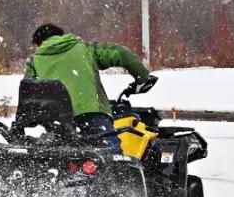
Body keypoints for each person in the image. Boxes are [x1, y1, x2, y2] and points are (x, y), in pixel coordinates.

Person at [24, 23, 157, 151]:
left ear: (39, 42)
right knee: (111, 157)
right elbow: (122, 53)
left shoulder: (35, 61)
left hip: (58, 121)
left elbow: (28, 92)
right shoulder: (84, 49)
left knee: (65, 158)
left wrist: (29, 120)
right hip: (92, 112)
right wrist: (143, 78)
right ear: (60, 36)